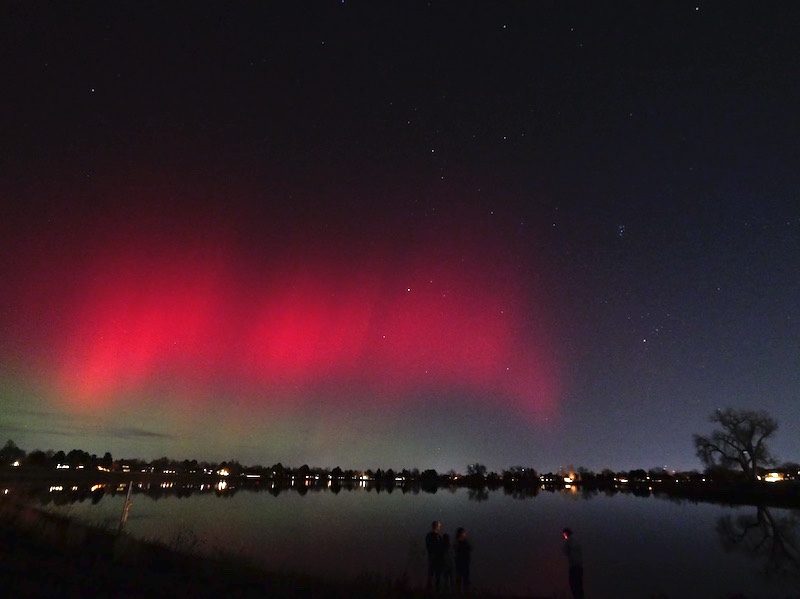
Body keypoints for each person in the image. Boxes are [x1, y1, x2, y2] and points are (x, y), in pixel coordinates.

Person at [561, 527, 584, 599]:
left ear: (566, 533)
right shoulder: (576, 541)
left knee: (573, 584)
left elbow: (565, 551)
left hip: (573, 566)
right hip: (579, 566)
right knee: (579, 585)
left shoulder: (569, 541)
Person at [426, 520, 445, 591]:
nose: (440, 527)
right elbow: (430, 546)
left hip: (438, 559)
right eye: (439, 526)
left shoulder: (438, 536)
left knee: (437, 576)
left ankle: (436, 590)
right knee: (431, 575)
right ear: (436, 526)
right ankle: (429, 591)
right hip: (433, 558)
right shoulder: (430, 536)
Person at [454, 526, 472, 594]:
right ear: (461, 533)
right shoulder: (460, 542)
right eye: (464, 533)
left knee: (462, 578)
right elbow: (469, 548)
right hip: (462, 562)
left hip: (462, 562)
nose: (465, 534)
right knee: (462, 578)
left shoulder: (460, 542)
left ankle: (462, 592)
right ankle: (462, 592)